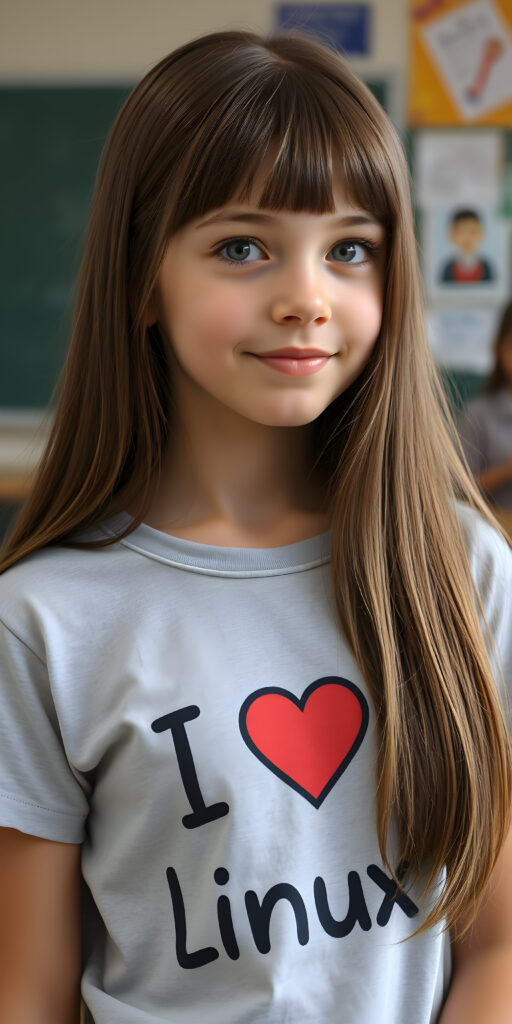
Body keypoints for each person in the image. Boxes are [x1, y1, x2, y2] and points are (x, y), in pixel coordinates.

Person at [0, 30, 512, 1024]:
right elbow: (27, 991)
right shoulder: (42, 622)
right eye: (242, 247)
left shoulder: (459, 571)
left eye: (349, 249)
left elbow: (497, 942)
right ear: (143, 280)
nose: (304, 299)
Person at [458, 300, 512, 508]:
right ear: (498, 348)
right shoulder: (479, 414)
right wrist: (506, 471)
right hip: (498, 531)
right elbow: (459, 490)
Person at [439, 209, 494, 284]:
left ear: (481, 234)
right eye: (462, 232)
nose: (467, 238)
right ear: (452, 235)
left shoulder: (487, 267)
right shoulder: (448, 268)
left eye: (472, 232)